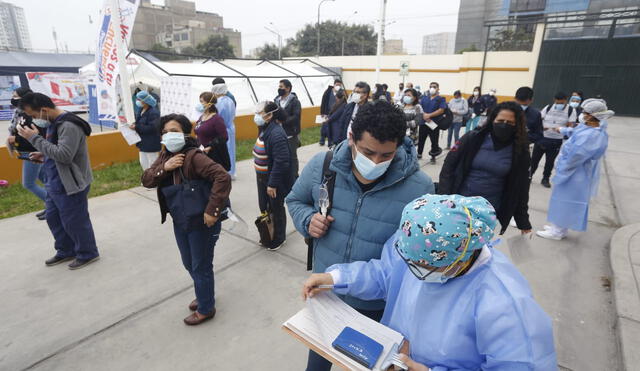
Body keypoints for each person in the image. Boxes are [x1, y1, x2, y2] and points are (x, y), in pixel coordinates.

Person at [302, 194, 557, 370]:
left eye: (424, 265)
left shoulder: (505, 305)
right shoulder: (418, 245)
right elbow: (385, 274)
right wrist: (334, 278)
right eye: (408, 259)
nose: (413, 270)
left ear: (462, 256)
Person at [286, 101, 434, 371]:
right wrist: (308, 220)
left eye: (386, 155)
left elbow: (418, 254)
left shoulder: (419, 188)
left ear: (399, 146)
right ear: (351, 138)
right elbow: (295, 199)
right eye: (368, 152)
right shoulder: (324, 166)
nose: (376, 161)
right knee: (317, 365)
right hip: (326, 292)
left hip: (377, 305)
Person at [142, 114, 231, 325]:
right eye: (164, 132)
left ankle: (206, 307)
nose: (168, 135)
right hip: (181, 219)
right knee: (188, 262)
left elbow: (222, 177)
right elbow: (146, 179)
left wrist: (213, 210)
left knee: (200, 265)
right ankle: (204, 293)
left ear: (184, 132)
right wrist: (166, 167)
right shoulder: (164, 156)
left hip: (201, 221)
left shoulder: (194, 156)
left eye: (174, 131)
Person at [17, 93, 100, 270]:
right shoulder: (54, 123)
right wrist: (43, 153)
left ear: (45, 110)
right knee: (54, 218)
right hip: (54, 181)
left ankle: (87, 253)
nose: (34, 119)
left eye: (33, 115)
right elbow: (56, 149)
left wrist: (34, 138)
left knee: (75, 221)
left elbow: (64, 155)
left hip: (70, 182)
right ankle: (66, 250)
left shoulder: (68, 125)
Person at [438, 101, 533, 235]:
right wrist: (444, 199)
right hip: (458, 205)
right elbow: (448, 168)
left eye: (510, 123)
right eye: (500, 120)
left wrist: (523, 222)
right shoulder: (473, 138)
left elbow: (521, 188)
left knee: (476, 250)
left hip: (488, 212)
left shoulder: (520, 151)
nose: (504, 125)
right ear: (492, 119)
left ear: (517, 125)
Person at [537, 99, 613, 240]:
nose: (582, 114)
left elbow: (576, 157)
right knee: (561, 199)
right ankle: (559, 227)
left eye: (585, 112)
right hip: (574, 172)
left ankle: (557, 232)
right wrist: (562, 129)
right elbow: (576, 131)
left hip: (574, 173)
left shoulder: (592, 135)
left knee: (566, 200)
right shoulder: (590, 129)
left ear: (592, 115)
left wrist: (562, 169)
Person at [253, 102, 292, 250]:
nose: (257, 116)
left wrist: (272, 183)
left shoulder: (276, 133)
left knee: (276, 208)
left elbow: (282, 161)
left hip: (272, 180)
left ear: (270, 115)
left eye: (260, 113)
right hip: (262, 177)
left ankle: (279, 238)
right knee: (265, 207)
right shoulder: (264, 128)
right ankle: (268, 234)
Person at [6, 87, 47, 220]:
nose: (13, 99)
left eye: (16, 96)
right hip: (26, 151)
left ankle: (54, 205)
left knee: (28, 183)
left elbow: (36, 135)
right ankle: (52, 206)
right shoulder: (20, 112)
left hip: (33, 151)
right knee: (45, 179)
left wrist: (15, 139)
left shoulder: (31, 114)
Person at [530, 92, 577, 188]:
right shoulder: (548, 107)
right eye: (557, 102)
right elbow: (539, 119)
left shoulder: (571, 110)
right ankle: (529, 176)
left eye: (561, 102)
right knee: (534, 160)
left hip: (556, 140)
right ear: (554, 100)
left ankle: (545, 179)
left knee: (550, 161)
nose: (559, 104)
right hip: (542, 138)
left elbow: (571, 125)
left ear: (565, 100)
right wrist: (541, 127)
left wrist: (562, 130)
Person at [195, 92, 230, 170]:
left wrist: (210, 147)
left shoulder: (217, 119)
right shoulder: (201, 117)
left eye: (202, 101)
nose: (200, 104)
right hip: (202, 153)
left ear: (210, 103)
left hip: (214, 156)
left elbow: (224, 137)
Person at [275, 79, 302, 181]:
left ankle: (295, 177)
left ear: (288, 88)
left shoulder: (295, 102)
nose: (279, 89)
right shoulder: (277, 100)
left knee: (292, 157)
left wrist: (283, 122)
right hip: (279, 134)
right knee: (281, 157)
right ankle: (284, 176)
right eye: (279, 87)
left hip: (290, 134)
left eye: (281, 87)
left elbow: (296, 117)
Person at [211, 80, 237, 177]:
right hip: (230, 127)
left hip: (223, 129)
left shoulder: (219, 102)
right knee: (231, 150)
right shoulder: (229, 100)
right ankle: (231, 171)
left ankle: (226, 172)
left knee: (224, 151)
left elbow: (219, 117)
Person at [132, 90, 161, 170]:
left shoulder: (154, 112)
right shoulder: (140, 110)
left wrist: (136, 127)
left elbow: (152, 128)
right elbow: (139, 122)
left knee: (152, 163)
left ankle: (154, 181)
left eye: (139, 99)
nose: (137, 101)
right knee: (143, 162)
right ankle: (146, 180)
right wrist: (134, 125)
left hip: (151, 142)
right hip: (142, 142)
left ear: (145, 101)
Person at [418, 81, 447, 162]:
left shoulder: (441, 99)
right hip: (423, 122)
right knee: (421, 139)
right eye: (431, 86)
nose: (432, 88)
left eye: (434, 87)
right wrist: (424, 115)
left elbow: (441, 110)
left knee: (434, 140)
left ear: (438, 88)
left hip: (433, 123)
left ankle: (433, 156)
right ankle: (419, 154)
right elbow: (419, 107)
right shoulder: (424, 98)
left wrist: (429, 115)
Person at [319, 79, 343, 146]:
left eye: (339, 85)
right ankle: (322, 139)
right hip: (327, 112)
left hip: (335, 113)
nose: (338, 86)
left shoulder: (341, 92)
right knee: (324, 126)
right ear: (334, 84)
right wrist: (322, 112)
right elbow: (323, 101)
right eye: (337, 85)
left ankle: (330, 141)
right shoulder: (328, 91)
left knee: (332, 127)